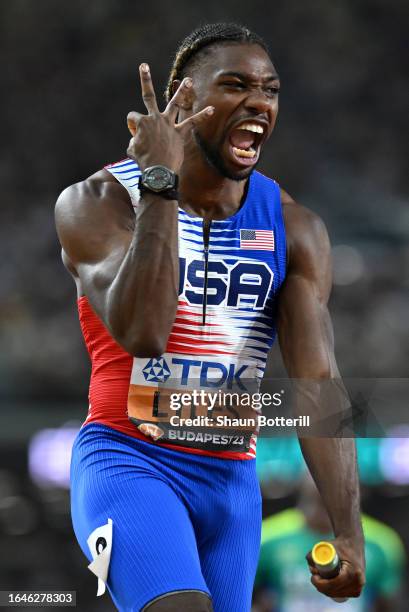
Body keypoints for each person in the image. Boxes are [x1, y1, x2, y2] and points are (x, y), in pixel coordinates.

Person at [55, 22, 365, 612]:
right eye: (236, 85)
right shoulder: (100, 202)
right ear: (184, 99)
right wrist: (160, 184)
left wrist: (347, 528)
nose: (258, 103)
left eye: (270, 91)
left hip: (231, 482)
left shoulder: (295, 228)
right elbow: (143, 332)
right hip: (130, 459)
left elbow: (317, 384)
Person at [253, 474, 405, 612]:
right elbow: (247, 599)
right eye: (315, 467)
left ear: (359, 490)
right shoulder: (267, 537)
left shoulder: (381, 543)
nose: (327, 475)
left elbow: (388, 604)